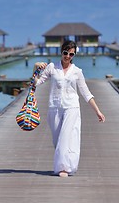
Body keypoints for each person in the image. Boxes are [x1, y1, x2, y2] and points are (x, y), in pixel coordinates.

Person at [33, 40, 105, 177]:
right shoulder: (52, 67)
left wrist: (98, 111)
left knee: (66, 137)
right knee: (57, 140)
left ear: (74, 55)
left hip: (71, 107)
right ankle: (67, 164)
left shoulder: (77, 72)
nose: (67, 56)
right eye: (65, 53)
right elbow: (36, 83)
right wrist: (35, 68)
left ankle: (63, 168)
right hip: (54, 107)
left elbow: (86, 93)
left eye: (71, 54)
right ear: (61, 52)